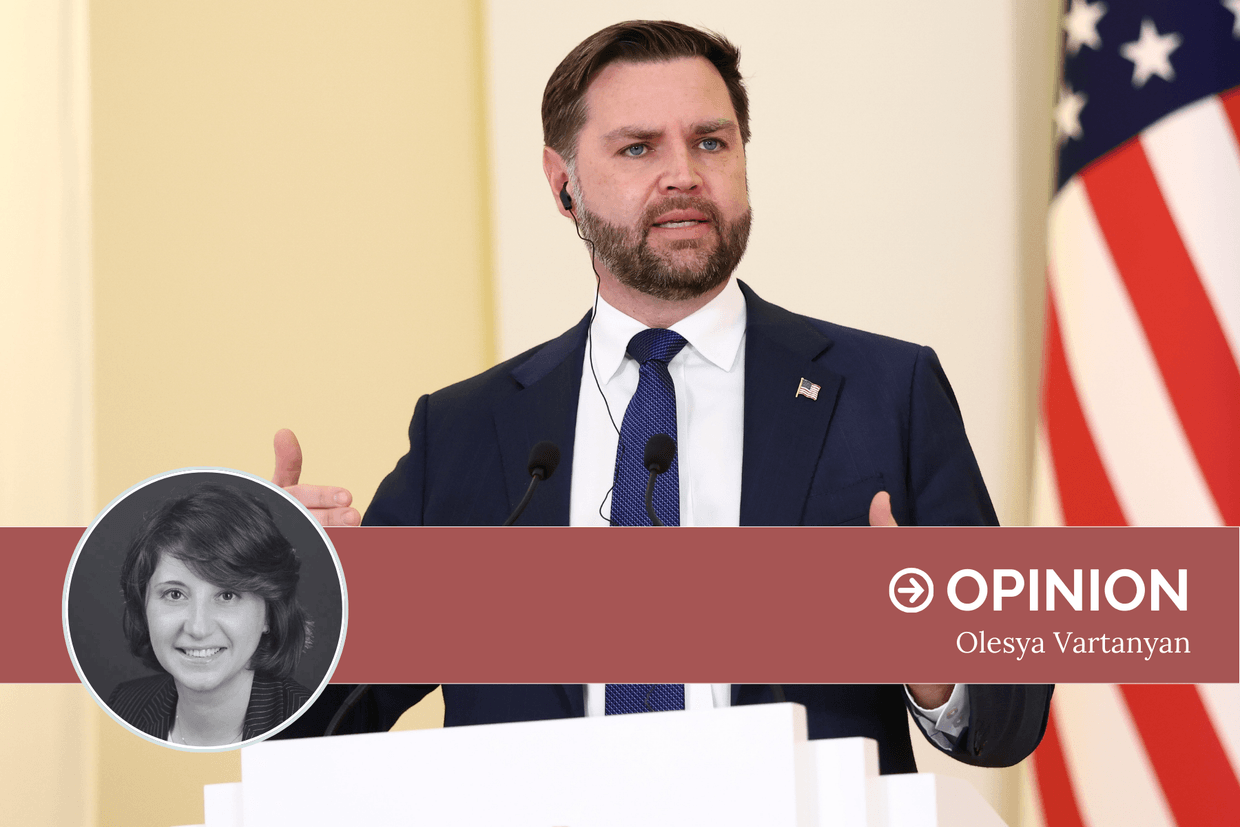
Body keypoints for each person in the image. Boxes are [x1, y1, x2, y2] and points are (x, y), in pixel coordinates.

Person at [273, 20, 1051, 773]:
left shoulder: (885, 393)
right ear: (562, 184)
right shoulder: (467, 434)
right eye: (638, 147)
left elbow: (1009, 714)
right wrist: (280, 601)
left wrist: (938, 659)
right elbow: (318, 725)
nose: (684, 173)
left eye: (711, 142)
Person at [108, 483, 313, 746]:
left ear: (268, 615)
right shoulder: (124, 705)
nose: (198, 628)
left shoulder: (318, 726)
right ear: (143, 607)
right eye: (175, 594)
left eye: (227, 595)